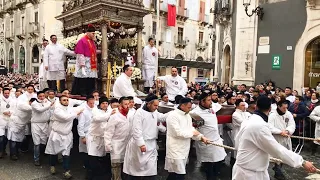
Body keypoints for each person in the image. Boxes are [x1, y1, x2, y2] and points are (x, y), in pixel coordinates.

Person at [232, 96, 317, 180]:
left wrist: (287, 131)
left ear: (256, 106)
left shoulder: (249, 120)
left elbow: (237, 142)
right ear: (270, 109)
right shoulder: (259, 125)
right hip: (250, 173)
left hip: (249, 168)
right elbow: (277, 149)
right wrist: (302, 162)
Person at [123, 94, 168, 179]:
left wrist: (176, 112)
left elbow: (162, 117)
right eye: (155, 105)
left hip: (151, 144)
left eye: (157, 105)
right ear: (148, 104)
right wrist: (141, 144)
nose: (156, 107)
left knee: (151, 169)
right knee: (136, 171)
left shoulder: (154, 112)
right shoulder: (139, 113)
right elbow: (137, 129)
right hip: (140, 144)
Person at [165, 98, 209, 180]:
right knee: (179, 174)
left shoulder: (187, 115)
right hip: (175, 149)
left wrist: (201, 137)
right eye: (189, 107)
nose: (190, 109)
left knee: (175, 174)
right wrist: (193, 133)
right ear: (182, 106)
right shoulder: (172, 116)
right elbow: (177, 133)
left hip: (184, 149)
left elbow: (191, 129)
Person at [45, 95, 83, 179]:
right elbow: (65, 118)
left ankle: (66, 171)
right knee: (54, 152)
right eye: (64, 100)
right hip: (57, 134)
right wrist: (76, 114)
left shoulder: (70, 109)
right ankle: (52, 166)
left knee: (66, 154)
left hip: (67, 135)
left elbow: (82, 106)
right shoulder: (57, 110)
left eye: (67, 100)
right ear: (60, 101)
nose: (66, 101)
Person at [191, 92, 227, 180]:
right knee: (209, 166)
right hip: (206, 142)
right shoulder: (195, 113)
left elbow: (219, 106)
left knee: (219, 162)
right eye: (209, 100)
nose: (211, 102)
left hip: (217, 140)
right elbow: (191, 127)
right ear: (202, 102)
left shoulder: (211, 107)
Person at [87, 96, 115, 179]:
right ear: (100, 103)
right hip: (94, 137)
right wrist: (109, 114)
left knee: (102, 157)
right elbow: (98, 119)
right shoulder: (95, 110)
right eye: (103, 103)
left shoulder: (110, 110)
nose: (105, 105)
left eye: (106, 103)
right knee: (93, 156)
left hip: (103, 138)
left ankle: (101, 175)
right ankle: (91, 175)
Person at [104, 97, 131, 180]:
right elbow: (108, 132)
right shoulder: (114, 116)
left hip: (126, 143)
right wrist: (108, 145)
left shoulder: (129, 114)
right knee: (116, 166)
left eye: (128, 104)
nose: (127, 106)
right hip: (116, 144)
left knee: (126, 166)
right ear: (120, 104)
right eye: (125, 104)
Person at [268, 100, 295, 180]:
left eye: (286, 107)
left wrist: (288, 130)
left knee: (284, 155)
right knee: (277, 155)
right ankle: (278, 171)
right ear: (279, 106)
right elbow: (269, 126)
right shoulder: (272, 115)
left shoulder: (288, 113)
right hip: (277, 138)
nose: (285, 109)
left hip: (286, 137)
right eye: (284, 108)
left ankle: (278, 168)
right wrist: (280, 132)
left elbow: (292, 124)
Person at [71, 24, 99, 97]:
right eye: (93, 33)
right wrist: (82, 65)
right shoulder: (82, 40)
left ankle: (90, 91)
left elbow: (93, 51)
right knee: (83, 78)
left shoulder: (92, 41)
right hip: (84, 62)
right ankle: (82, 92)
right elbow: (80, 54)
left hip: (91, 62)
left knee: (90, 78)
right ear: (88, 33)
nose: (94, 35)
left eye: (94, 33)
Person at [31, 91, 54, 166]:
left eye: (43, 96)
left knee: (43, 141)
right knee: (36, 143)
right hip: (36, 124)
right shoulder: (34, 103)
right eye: (40, 96)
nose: (42, 97)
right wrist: (49, 105)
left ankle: (41, 155)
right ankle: (36, 159)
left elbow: (50, 110)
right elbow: (40, 110)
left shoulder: (46, 102)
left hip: (44, 124)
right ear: (37, 96)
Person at [77, 95, 95, 176]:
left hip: (93, 134)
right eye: (90, 103)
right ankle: (86, 166)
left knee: (92, 151)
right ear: (87, 102)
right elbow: (80, 125)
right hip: (85, 133)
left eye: (93, 103)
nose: (92, 105)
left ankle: (91, 166)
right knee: (85, 151)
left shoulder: (95, 110)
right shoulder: (83, 112)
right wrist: (82, 136)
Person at [231, 99, 251, 166]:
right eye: (242, 105)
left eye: (244, 105)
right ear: (237, 106)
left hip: (247, 134)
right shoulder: (235, 114)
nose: (244, 107)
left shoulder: (247, 113)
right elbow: (244, 123)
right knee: (238, 151)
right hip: (238, 134)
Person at [0, 88, 17, 159]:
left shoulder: (13, 101)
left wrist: (10, 112)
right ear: (2, 93)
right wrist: (2, 112)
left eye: (8, 93)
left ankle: (12, 154)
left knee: (11, 137)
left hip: (10, 120)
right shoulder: (0, 100)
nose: (6, 94)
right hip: (1, 119)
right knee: (1, 138)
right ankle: (1, 151)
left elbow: (15, 109)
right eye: (5, 93)